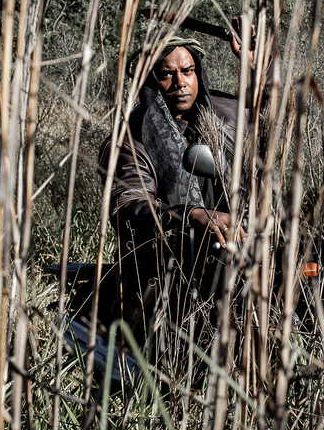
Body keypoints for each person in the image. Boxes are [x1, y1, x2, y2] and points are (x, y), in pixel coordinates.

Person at [98, 20, 254, 353]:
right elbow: (128, 205)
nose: (179, 83)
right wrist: (192, 215)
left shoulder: (224, 118)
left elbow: (273, 114)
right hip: (166, 269)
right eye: (166, 74)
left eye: (188, 71)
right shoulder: (129, 138)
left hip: (234, 254)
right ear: (151, 81)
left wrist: (256, 63)